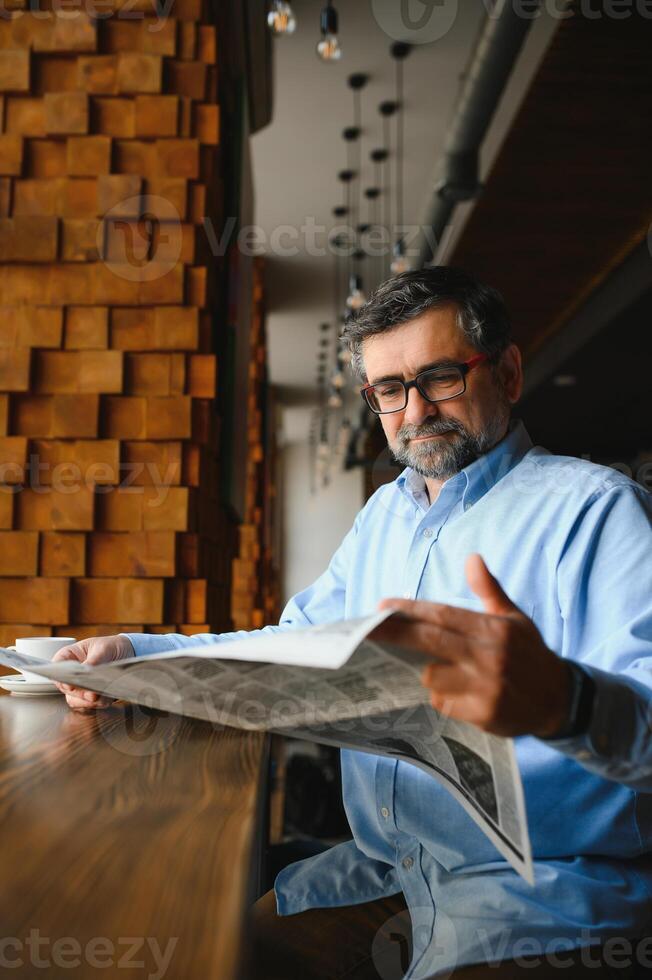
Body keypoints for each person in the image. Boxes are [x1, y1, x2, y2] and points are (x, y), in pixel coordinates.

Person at [54, 268, 652, 979]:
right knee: (226, 951)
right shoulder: (383, 518)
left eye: (440, 377)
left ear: (510, 372)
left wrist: (565, 701)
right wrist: (133, 657)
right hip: (395, 874)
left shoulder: (599, 510)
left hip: (545, 905)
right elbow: (291, 645)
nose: (416, 411)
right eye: (390, 391)